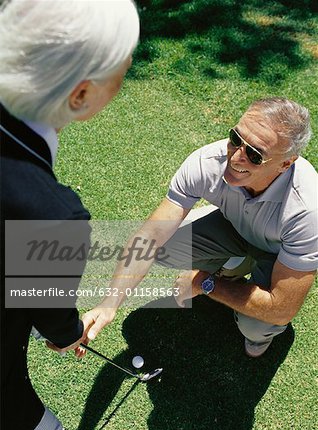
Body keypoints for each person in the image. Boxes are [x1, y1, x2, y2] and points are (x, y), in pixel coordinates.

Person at [0, 0, 139, 430]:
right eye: (123, 68)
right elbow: (50, 315)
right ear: (79, 95)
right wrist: (65, 333)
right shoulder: (53, 216)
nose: (128, 71)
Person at [83, 97, 317, 359]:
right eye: (236, 138)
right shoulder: (208, 161)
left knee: (256, 326)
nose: (236, 157)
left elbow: (282, 308)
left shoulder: (308, 210)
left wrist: (205, 283)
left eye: (254, 155)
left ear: (286, 164)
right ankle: (236, 264)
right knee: (164, 247)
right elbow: (150, 236)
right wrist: (109, 304)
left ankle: (253, 314)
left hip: (277, 256)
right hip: (232, 227)